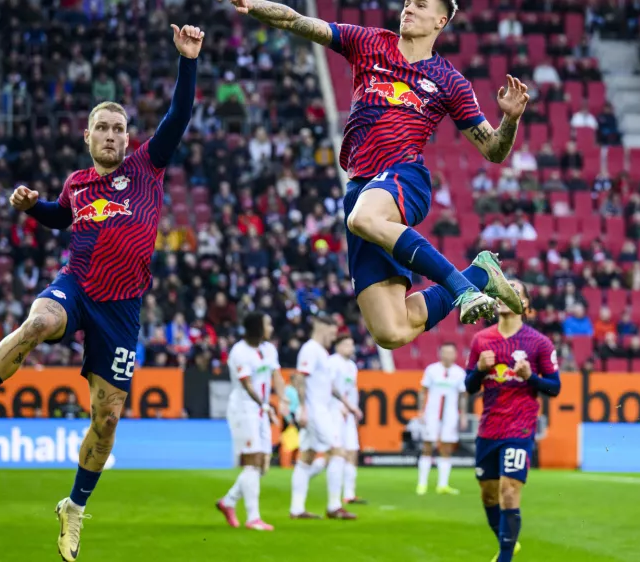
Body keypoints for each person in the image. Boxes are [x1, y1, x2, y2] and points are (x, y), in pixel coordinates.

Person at [0, 24, 204, 562]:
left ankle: (74, 508)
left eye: (118, 128)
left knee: (106, 421)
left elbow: (179, 114)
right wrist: (34, 206)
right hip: (75, 286)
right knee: (38, 323)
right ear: (87, 137)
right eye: (101, 127)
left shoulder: (147, 167)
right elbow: (62, 217)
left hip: (122, 309)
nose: (110, 135)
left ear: (128, 138)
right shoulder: (77, 184)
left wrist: (187, 62)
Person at [224, 0, 527, 351]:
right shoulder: (369, 43)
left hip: (404, 175)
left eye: (420, 4)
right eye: (407, 2)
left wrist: (510, 120)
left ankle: (462, 288)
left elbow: (493, 150)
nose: (408, 8)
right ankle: (480, 274)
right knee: (391, 332)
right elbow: (296, 20)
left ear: (440, 20)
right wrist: (252, 4)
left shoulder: (450, 82)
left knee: (364, 218)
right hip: (359, 187)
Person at [465, 280, 561, 562]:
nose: (504, 295)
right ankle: (508, 541)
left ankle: (505, 556)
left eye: (514, 292)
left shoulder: (539, 343)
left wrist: (530, 377)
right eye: (500, 291)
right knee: (489, 495)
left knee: (509, 490)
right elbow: (469, 387)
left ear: (526, 304)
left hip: (519, 428)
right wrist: (480, 370)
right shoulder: (481, 340)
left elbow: (554, 387)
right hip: (489, 427)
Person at [216, 312, 288, 531]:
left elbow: (276, 375)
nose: (271, 327)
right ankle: (253, 517)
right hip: (244, 411)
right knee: (252, 462)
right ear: (257, 327)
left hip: (261, 412)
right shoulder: (239, 352)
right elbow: (247, 385)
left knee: (262, 465)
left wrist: (282, 399)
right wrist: (265, 406)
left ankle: (228, 502)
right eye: (267, 324)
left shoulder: (268, 349)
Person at [290, 315, 356, 520]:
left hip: (319, 410)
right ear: (323, 329)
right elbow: (300, 377)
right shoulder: (310, 349)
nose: (334, 337)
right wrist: (303, 408)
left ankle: (296, 509)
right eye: (333, 332)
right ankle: (334, 506)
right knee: (338, 452)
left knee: (307, 457)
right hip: (315, 411)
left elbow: (328, 385)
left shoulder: (322, 353)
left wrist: (347, 404)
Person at [415, 341, 467, 496]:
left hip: (450, 414)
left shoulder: (459, 373)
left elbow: (462, 396)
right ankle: (422, 483)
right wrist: (421, 411)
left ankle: (442, 484)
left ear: (455, 354)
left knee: (446, 448)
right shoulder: (432, 370)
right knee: (427, 446)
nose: (448, 355)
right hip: (432, 414)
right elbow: (423, 391)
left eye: (451, 352)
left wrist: (463, 415)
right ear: (440, 353)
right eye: (445, 352)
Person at [329, 334, 366, 505]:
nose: (350, 348)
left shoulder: (352, 366)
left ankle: (349, 493)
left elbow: (352, 389)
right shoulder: (332, 362)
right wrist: (344, 405)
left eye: (351, 344)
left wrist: (354, 408)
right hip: (334, 411)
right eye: (346, 344)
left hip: (349, 413)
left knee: (352, 451)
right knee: (338, 452)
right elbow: (328, 386)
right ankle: (335, 495)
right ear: (338, 346)